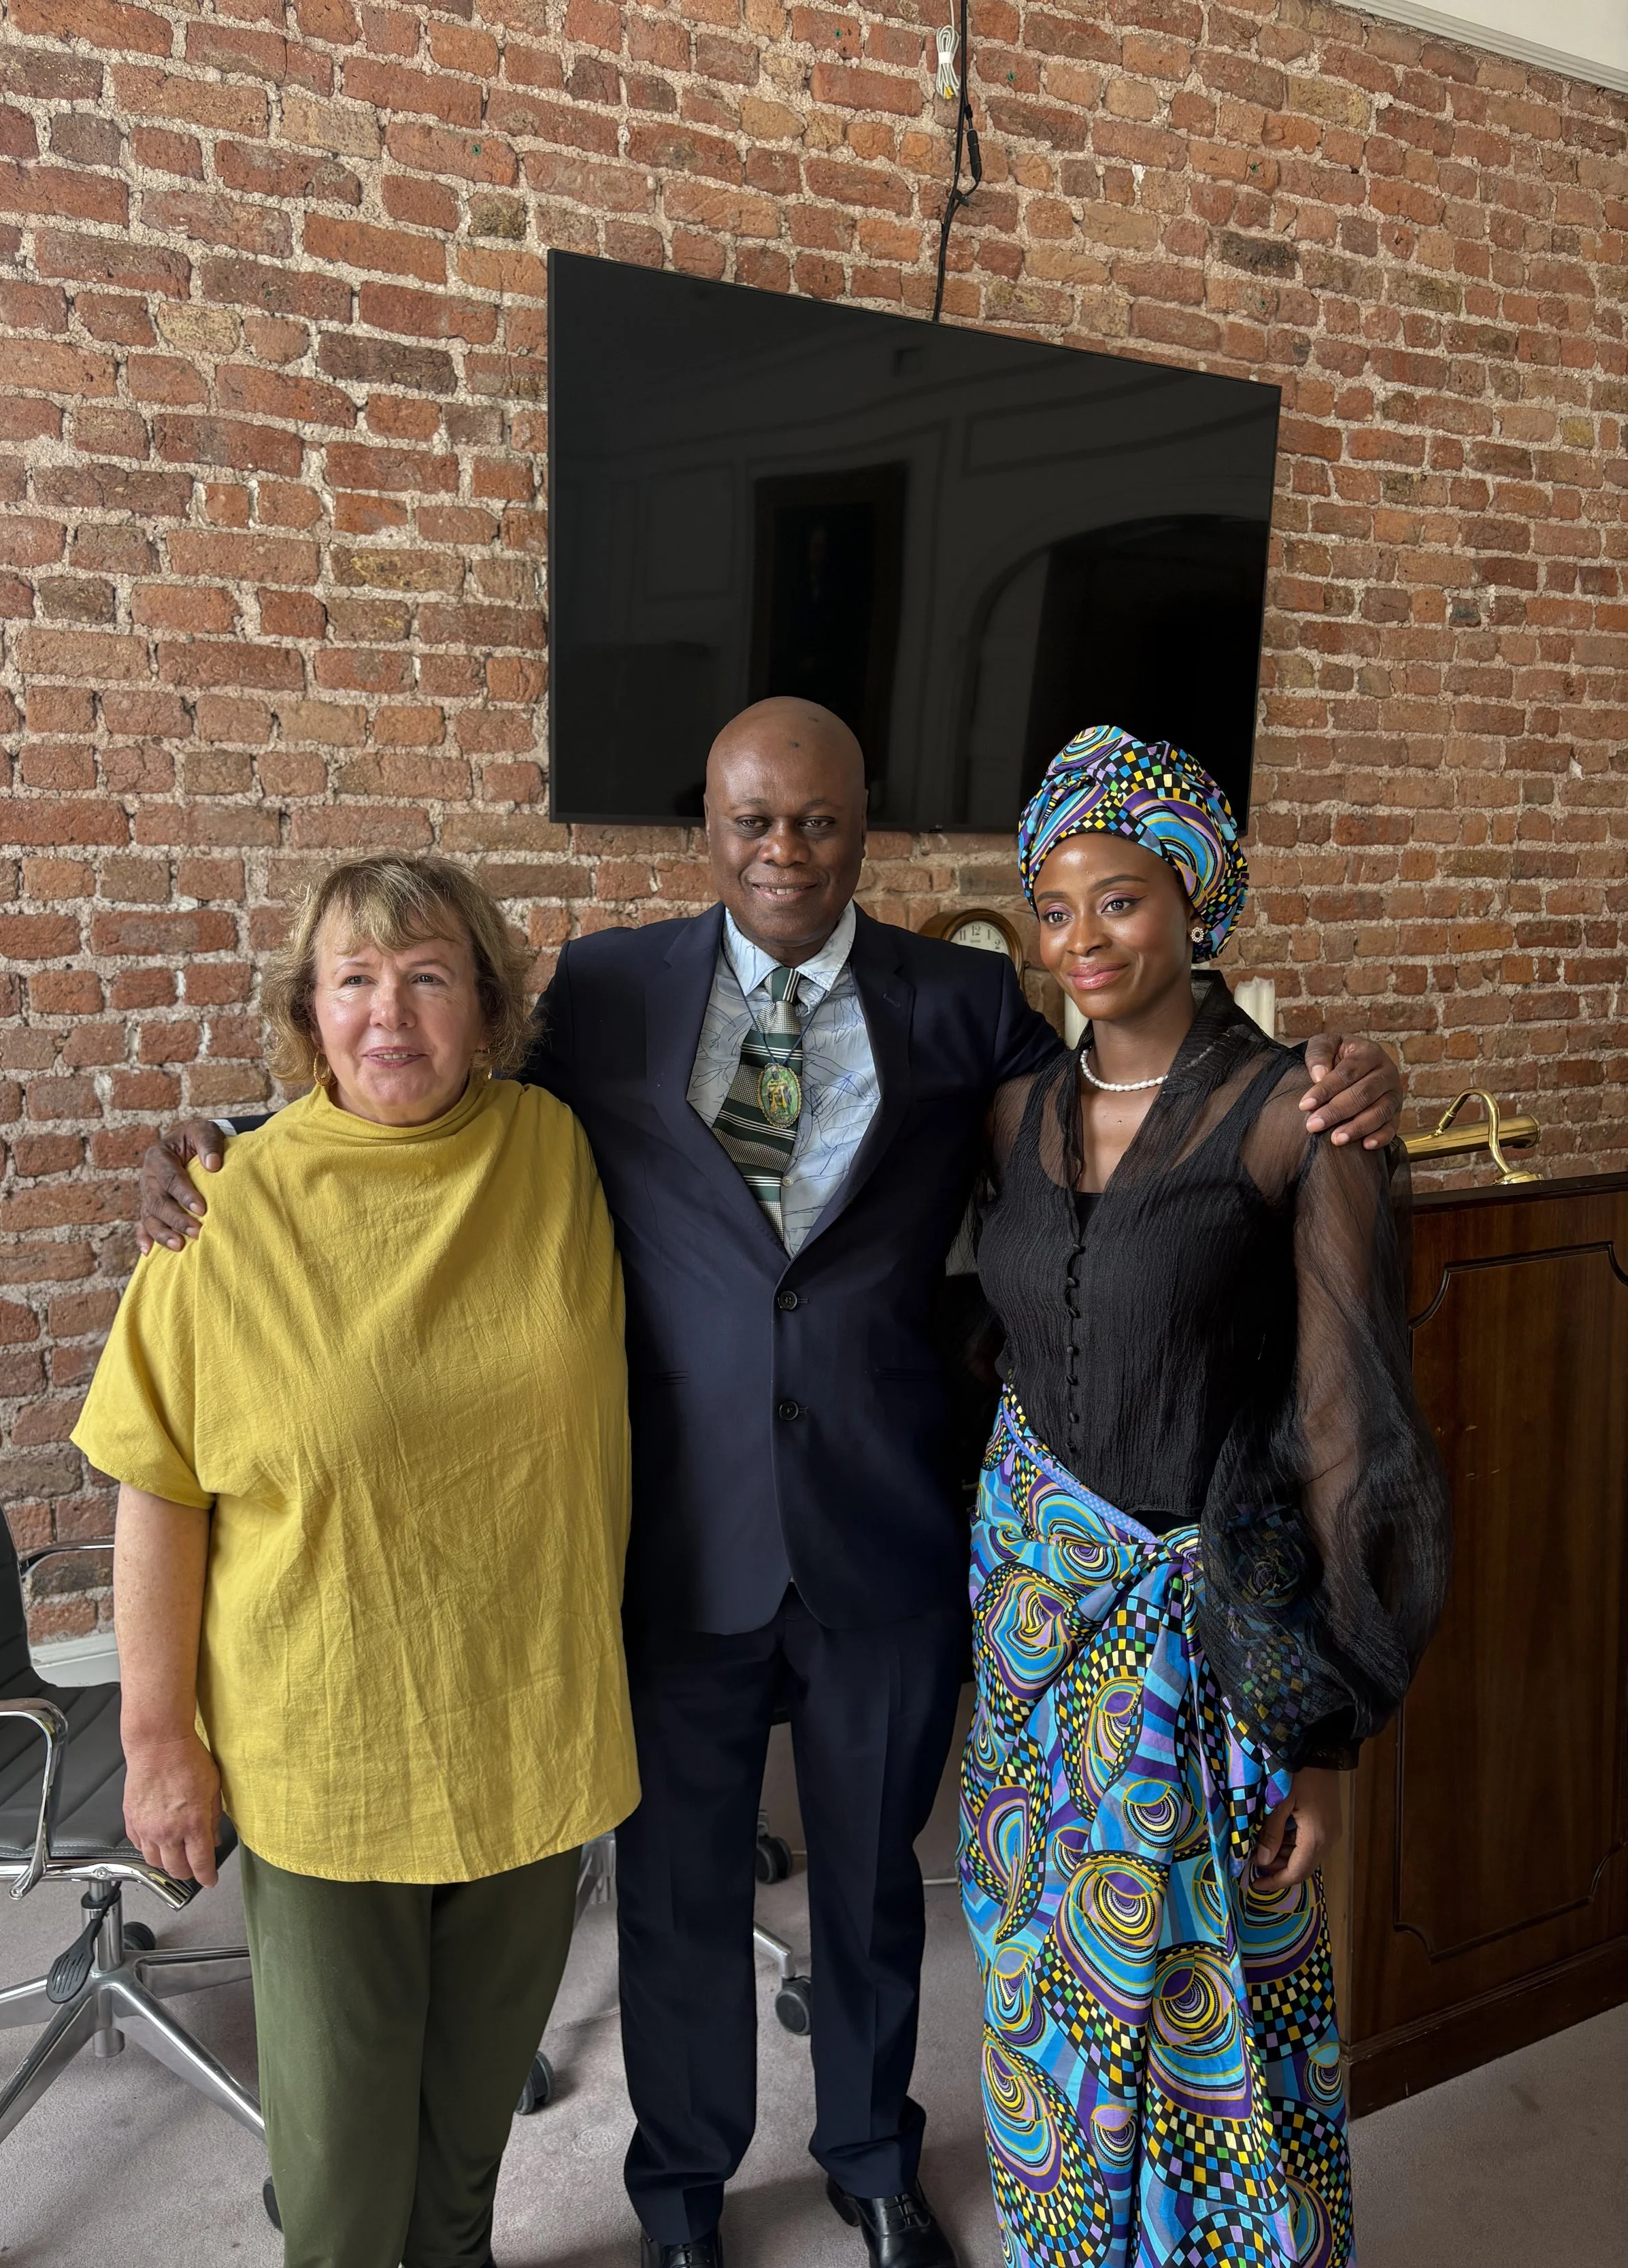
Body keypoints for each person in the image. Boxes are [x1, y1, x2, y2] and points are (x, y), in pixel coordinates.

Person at [137, 700, 1403, 2268]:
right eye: (750, 820)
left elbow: (1128, 1092)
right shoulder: (606, 987)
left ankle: (873, 2161)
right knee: (674, 1901)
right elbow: (423, 1083)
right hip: (675, 1542)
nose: (782, 850)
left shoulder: (963, 1001)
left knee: (878, 1884)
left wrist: (1334, 1073)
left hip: (884, 1533)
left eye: (814, 821)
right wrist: (228, 1142)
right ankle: (679, 2191)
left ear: (863, 824)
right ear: (708, 827)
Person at [76, 854, 637, 2268]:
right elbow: (157, 1483)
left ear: (492, 1007)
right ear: (308, 1013)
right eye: (354, 979)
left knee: (463, 2153)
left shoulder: (553, 1153)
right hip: (328, 1747)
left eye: (429, 975)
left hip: (529, 1722)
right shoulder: (219, 1207)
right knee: (338, 2180)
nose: (391, 1014)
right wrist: (158, 1741)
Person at [963, 725, 1451, 2268]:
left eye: (1118, 900)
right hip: (1029, 1641)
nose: (1081, 941)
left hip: (1203, 1650)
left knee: (1205, 2011)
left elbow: (1341, 1420)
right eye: (1052, 906)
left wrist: (1314, 1730)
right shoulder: (1009, 1116)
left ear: (1191, 900)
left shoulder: (1292, 1112)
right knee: (1046, 1988)